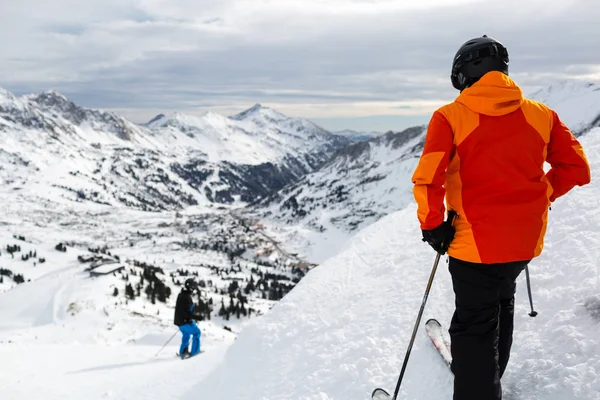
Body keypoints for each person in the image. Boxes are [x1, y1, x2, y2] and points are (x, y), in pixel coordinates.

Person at [411, 35, 591, 400]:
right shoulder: (542, 115)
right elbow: (576, 168)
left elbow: (428, 177)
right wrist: (541, 196)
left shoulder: (449, 117)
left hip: (473, 244)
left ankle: (477, 383)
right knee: (501, 302)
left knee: (475, 323)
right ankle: (485, 373)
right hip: (523, 240)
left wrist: (432, 227)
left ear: (463, 75)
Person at [174, 278, 202, 359]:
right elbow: (186, 313)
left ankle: (183, 351)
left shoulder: (182, 295)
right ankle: (195, 352)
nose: (193, 289)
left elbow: (184, 311)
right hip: (184, 321)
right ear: (190, 287)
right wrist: (197, 317)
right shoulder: (185, 297)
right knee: (197, 333)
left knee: (186, 334)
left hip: (181, 321)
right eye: (193, 287)